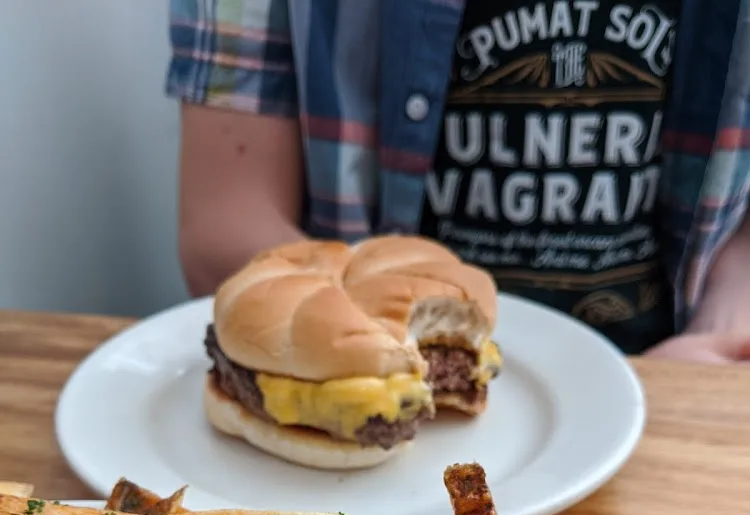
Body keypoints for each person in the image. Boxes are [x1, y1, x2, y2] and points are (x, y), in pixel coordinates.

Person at [167, 1, 750, 361]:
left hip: (660, 367)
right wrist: (368, 356)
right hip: (370, 354)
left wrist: (720, 337)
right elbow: (222, 228)